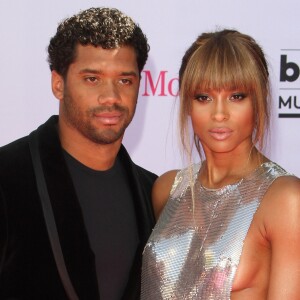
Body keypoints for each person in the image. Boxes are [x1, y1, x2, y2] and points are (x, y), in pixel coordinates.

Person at [0, 7, 157, 300]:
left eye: (125, 80)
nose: (111, 96)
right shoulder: (7, 176)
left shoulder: (154, 193)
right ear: (58, 83)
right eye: (92, 79)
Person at [141, 29, 300, 299]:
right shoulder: (167, 189)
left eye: (236, 96)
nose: (219, 114)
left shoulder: (285, 200)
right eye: (203, 97)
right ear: (187, 103)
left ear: (259, 100)